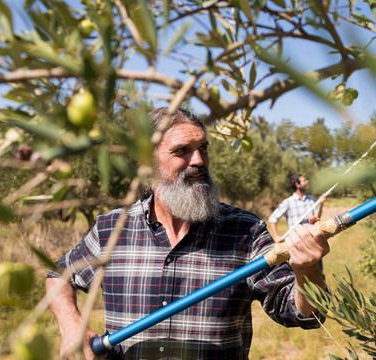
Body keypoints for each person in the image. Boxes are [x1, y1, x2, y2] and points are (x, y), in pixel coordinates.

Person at [46, 108, 330, 360]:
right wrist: (71, 327)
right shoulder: (112, 229)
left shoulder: (245, 231)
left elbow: (305, 316)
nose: (198, 161)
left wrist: (307, 271)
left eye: (203, 149)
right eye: (182, 150)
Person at [268, 174, 327, 243]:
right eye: (304, 181)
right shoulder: (288, 202)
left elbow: (317, 217)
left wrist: (321, 203)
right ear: (297, 185)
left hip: (313, 238)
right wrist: (276, 236)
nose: (307, 182)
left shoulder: (311, 199)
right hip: (298, 241)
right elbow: (272, 218)